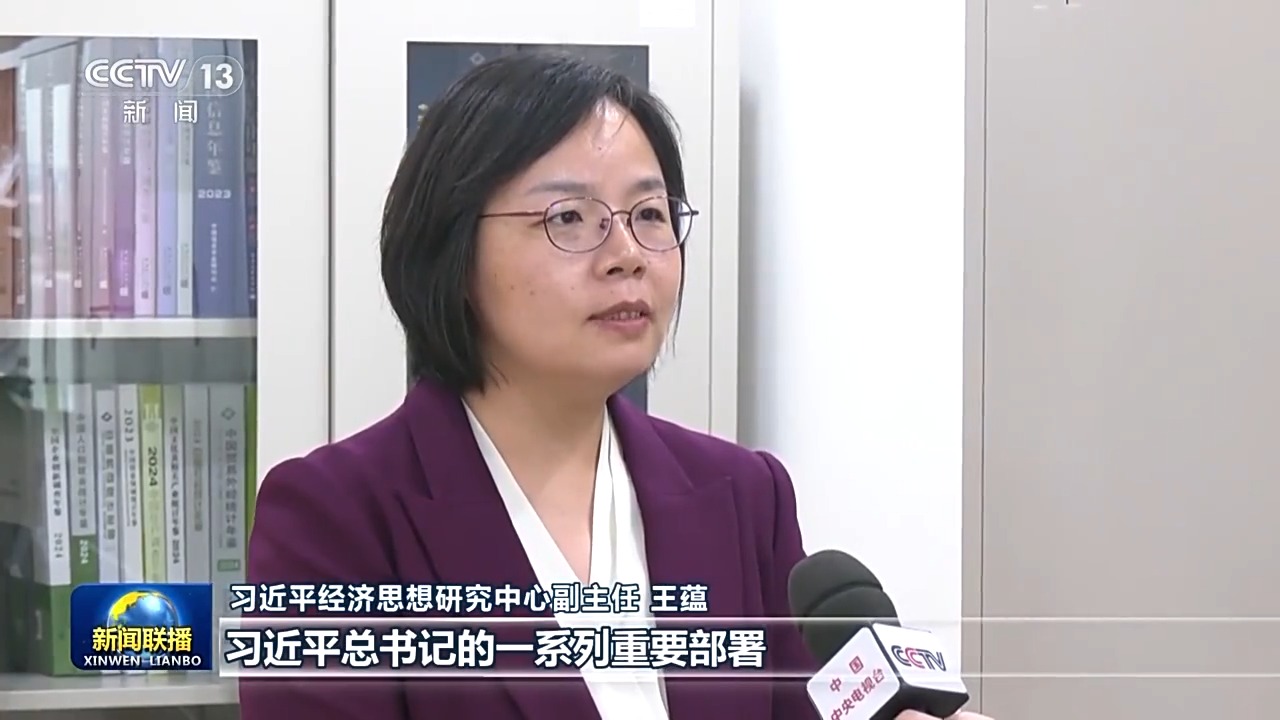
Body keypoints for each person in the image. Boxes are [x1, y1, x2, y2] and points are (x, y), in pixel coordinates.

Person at [239, 51, 993, 720]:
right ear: (452, 251)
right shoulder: (332, 518)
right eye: (570, 217)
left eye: (650, 214)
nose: (628, 253)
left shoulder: (745, 494)